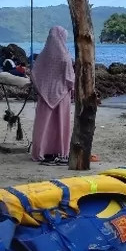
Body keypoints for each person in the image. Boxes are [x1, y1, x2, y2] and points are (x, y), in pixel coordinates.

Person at [30, 26, 75, 163]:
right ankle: (60, 151)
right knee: (61, 125)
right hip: (61, 95)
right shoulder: (64, 56)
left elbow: (34, 73)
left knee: (43, 125)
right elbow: (69, 78)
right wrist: (73, 88)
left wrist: (41, 87)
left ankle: (40, 151)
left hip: (44, 94)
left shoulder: (43, 55)